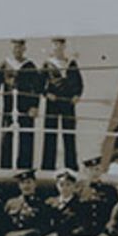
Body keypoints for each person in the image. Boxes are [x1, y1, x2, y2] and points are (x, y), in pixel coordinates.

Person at [42, 37, 85, 171]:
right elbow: (39, 83)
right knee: (50, 133)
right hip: (53, 102)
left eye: (60, 45)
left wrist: (77, 95)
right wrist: (46, 93)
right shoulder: (47, 64)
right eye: (55, 45)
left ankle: (71, 166)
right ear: (52, 48)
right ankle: (47, 166)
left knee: (69, 134)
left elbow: (79, 83)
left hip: (68, 102)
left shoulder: (71, 64)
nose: (58, 48)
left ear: (64, 47)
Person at [4, 38, 44, 170]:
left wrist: (35, 106)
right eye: (15, 47)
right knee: (7, 135)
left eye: (20, 48)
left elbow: (37, 87)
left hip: (26, 106)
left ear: (24, 49)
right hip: (9, 106)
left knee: (26, 137)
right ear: (12, 49)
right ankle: (6, 166)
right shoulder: (5, 64)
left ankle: (25, 167)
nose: (18, 50)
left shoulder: (30, 66)